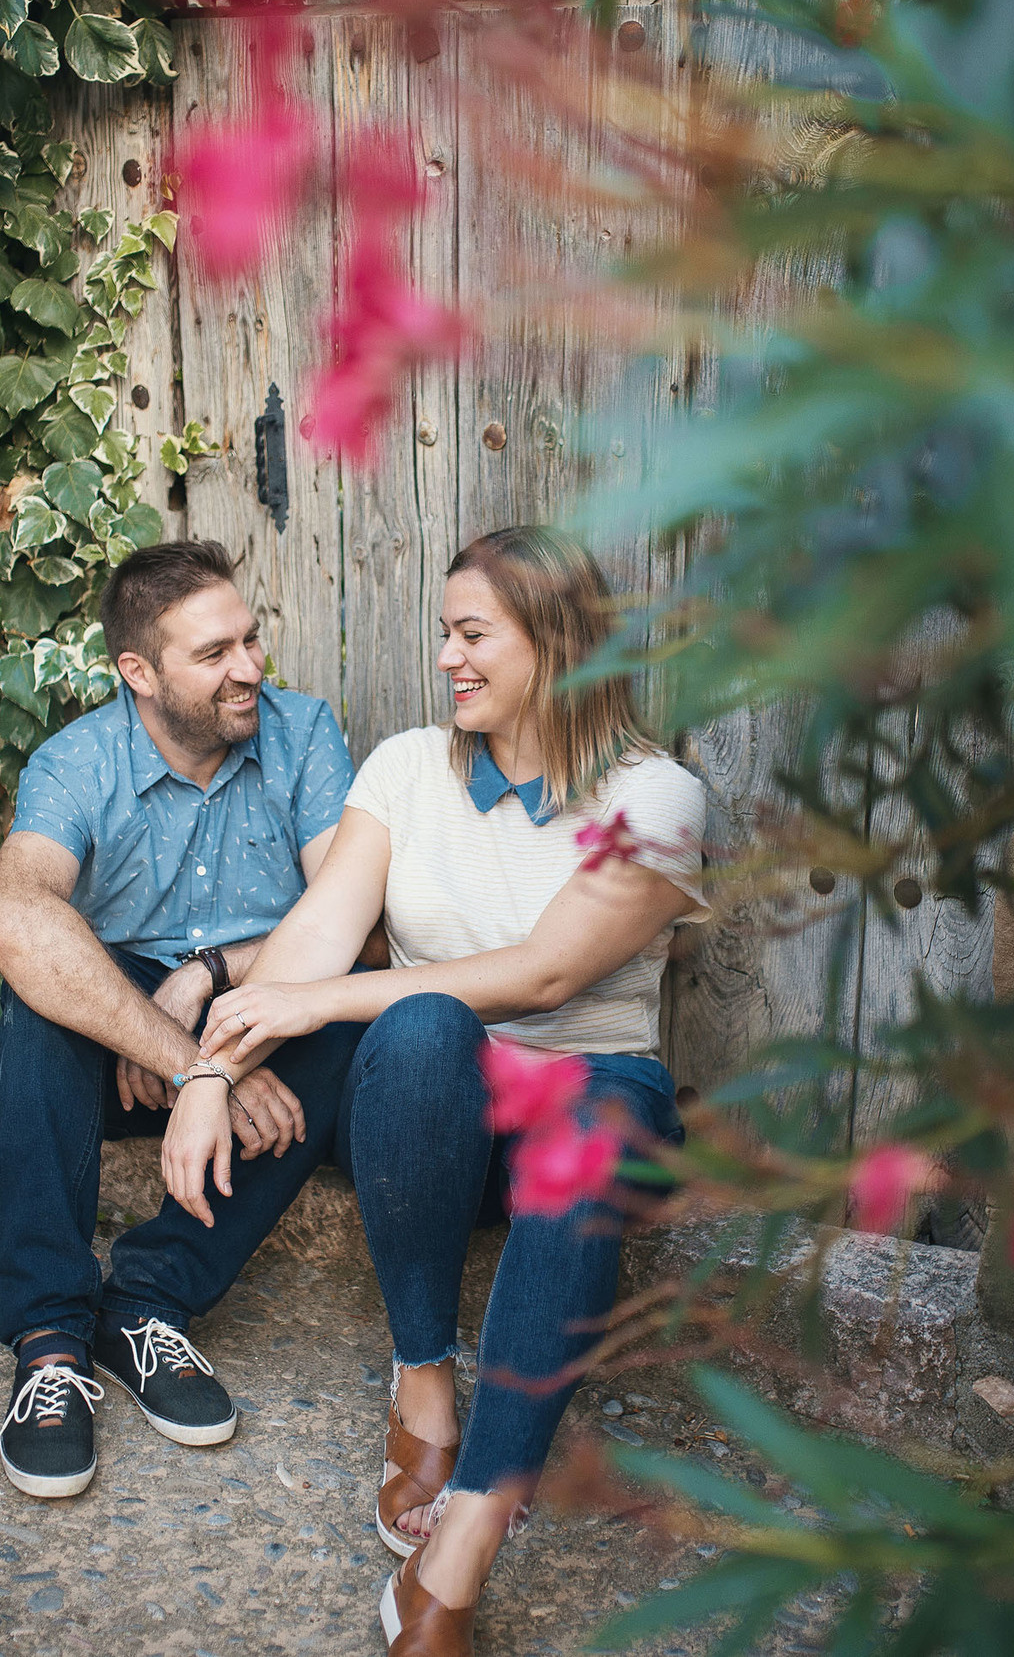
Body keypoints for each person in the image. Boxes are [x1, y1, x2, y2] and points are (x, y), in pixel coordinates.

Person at [195, 526, 708, 1655]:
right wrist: (209, 1070)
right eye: (444, 632)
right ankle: (422, 1376)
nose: (445, 658)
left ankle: (467, 1536)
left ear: (556, 644)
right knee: (425, 1023)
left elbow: (548, 975)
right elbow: (319, 930)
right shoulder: (405, 769)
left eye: (472, 634)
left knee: (581, 1118)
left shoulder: (658, 797)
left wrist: (323, 1003)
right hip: (436, 1124)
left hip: (590, 1100)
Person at [0, 538, 363, 1500]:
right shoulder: (77, 762)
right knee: (40, 985)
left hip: (256, 1014)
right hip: (123, 1052)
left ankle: (147, 1304)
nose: (250, 669)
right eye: (214, 654)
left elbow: (353, 921)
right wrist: (194, 1065)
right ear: (138, 673)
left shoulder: (304, 734)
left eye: (251, 640)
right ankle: (50, 1341)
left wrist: (209, 983)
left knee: (349, 1010)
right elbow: (15, 918)